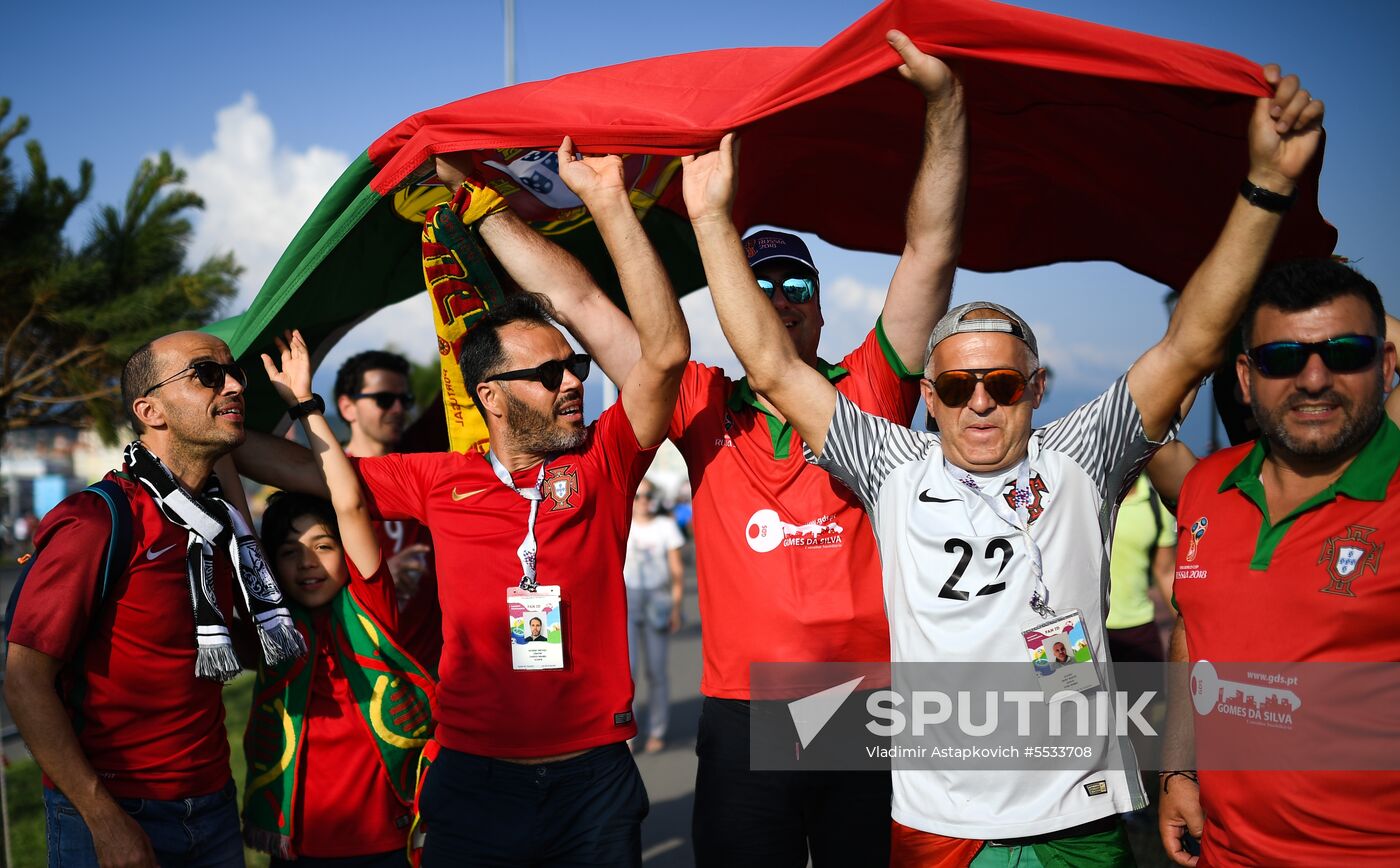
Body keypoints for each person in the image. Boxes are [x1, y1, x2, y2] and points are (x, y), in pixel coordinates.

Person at [682, 57, 1322, 865]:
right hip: (938, 829)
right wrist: (709, 219)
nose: (979, 402)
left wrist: (1265, 185)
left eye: (1002, 382)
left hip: (1075, 824)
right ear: (931, 392)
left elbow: (1192, 343)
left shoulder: (1083, 456)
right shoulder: (890, 461)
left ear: (1037, 387)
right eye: (955, 385)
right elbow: (773, 368)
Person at [460, 31, 966, 864]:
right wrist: (479, 210)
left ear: (821, 310)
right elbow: (580, 299)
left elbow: (931, 248)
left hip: (860, 703)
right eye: (757, 282)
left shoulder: (874, 386)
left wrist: (945, 107)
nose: (776, 299)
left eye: (795, 284)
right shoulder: (698, 399)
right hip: (740, 707)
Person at [233, 141, 689, 866]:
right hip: (473, 778)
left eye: (572, 366)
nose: (572, 382)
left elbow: (661, 355)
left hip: (592, 776)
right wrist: (213, 426)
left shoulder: (605, 460)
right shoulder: (441, 477)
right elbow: (297, 468)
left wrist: (608, 208)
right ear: (492, 397)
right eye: (547, 374)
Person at [5, 331, 305, 868]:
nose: (235, 385)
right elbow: (25, 679)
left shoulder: (221, 528)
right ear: (151, 410)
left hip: (212, 803)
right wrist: (102, 817)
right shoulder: (98, 520)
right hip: (114, 809)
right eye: (208, 375)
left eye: (234, 373)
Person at [1159, 258, 1400, 866]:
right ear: (1245, 376)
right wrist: (1177, 770)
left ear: (1388, 364)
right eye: (1282, 358)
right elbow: (1194, 631)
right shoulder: (1207, 485)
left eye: (1346, 352)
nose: (1314, 378)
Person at [240, 332, 434, 865]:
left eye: (324, 547)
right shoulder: (274, 618)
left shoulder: (370, 602)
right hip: (301, 843)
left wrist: (304, 405)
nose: (307, 562)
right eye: (290, 551)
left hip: (386, 839)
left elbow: (348, 504)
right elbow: (238, 511)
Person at [333, 349, 441, 671]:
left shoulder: (423, 466)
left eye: (404, 400)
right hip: (365, 676)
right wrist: (377, 581)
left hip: (433, 672)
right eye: (383, 399)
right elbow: (306, 583)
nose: (397, 409)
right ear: (347, 406)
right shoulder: (320, 482)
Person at [623, 478, 686, 754]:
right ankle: (628, 732)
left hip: (658, 602)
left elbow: (677, 571)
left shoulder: (666, 526)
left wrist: (676, 606)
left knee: (656, 671)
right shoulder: (621, 521)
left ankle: (657, 730)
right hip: (626, 602)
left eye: (647, 496)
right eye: (637, 496)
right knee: (629, 672)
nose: (643, 501)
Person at [1107, 475, 1177, 664]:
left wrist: (1188, 630)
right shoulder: (1080, 495)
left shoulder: (1155, 501)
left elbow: (1166, 571)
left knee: (1151, 695)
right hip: (1085, 630)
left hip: (1140, 630)